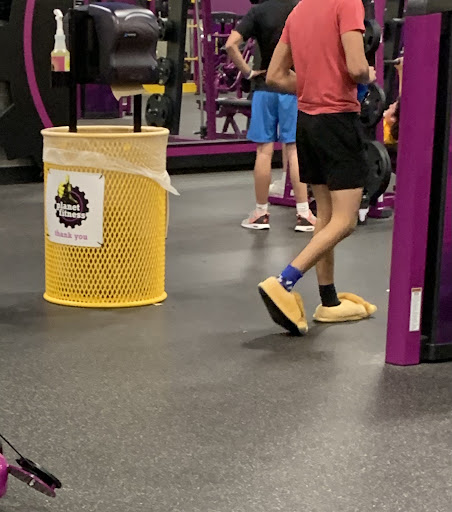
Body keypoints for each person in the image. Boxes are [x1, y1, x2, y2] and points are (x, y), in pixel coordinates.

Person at [257, 0, 378, 334]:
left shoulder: (299, 10)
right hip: (337, 120)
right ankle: (283, 281)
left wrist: (315, 83)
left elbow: (274, 75)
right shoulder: (347, 3)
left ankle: (329, 301)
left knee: (324, 215)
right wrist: (368, 74)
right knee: (345, 220)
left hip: (307, 122)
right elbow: (357, 68)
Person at [225, 0, 316, 232]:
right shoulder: (301, 8)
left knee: (264, 151)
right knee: (294, 150)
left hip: (264, 88)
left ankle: (260, 213)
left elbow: (230, 45)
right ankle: (304, 214)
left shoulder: (259, 11)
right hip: (292, 86)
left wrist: (248, 73)